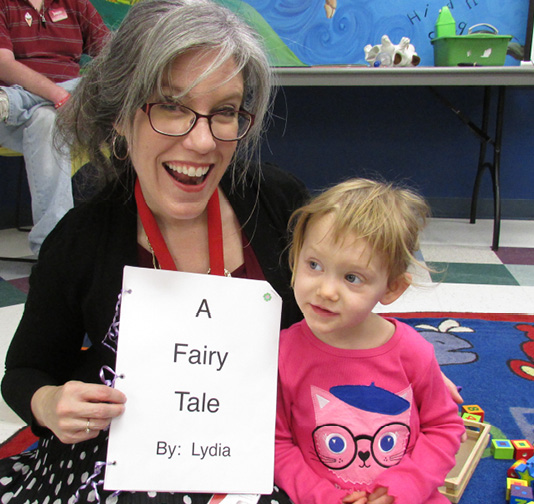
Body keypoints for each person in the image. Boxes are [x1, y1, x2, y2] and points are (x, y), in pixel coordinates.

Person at [0, 0, 308, 502]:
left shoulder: (280, 206)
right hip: (122, 459)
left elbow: (336, 317)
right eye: (171, 107)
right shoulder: (82, 240)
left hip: (262, 446)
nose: (204, 142)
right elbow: (25, 371)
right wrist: (49, 402)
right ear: (121, 116)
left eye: (225, 112)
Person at [275, 178, 465, 504]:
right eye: (314, 265)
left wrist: (403, 488)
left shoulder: (412, 350)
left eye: (352, 277)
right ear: (296, 257)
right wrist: (321, 497)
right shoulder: (282, 352)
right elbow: (276, 444)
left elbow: (444, 428)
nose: (326, 290)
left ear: (391, 288)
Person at [0, 0, 109, 253]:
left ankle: (15, 101)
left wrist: (65, 97)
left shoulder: (76, 4)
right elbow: (3, 63)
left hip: (63, 109)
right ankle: (56, 250)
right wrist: (57, 95)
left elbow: (117, 58)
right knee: (47, 119)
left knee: (92, 89)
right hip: (12, 123)